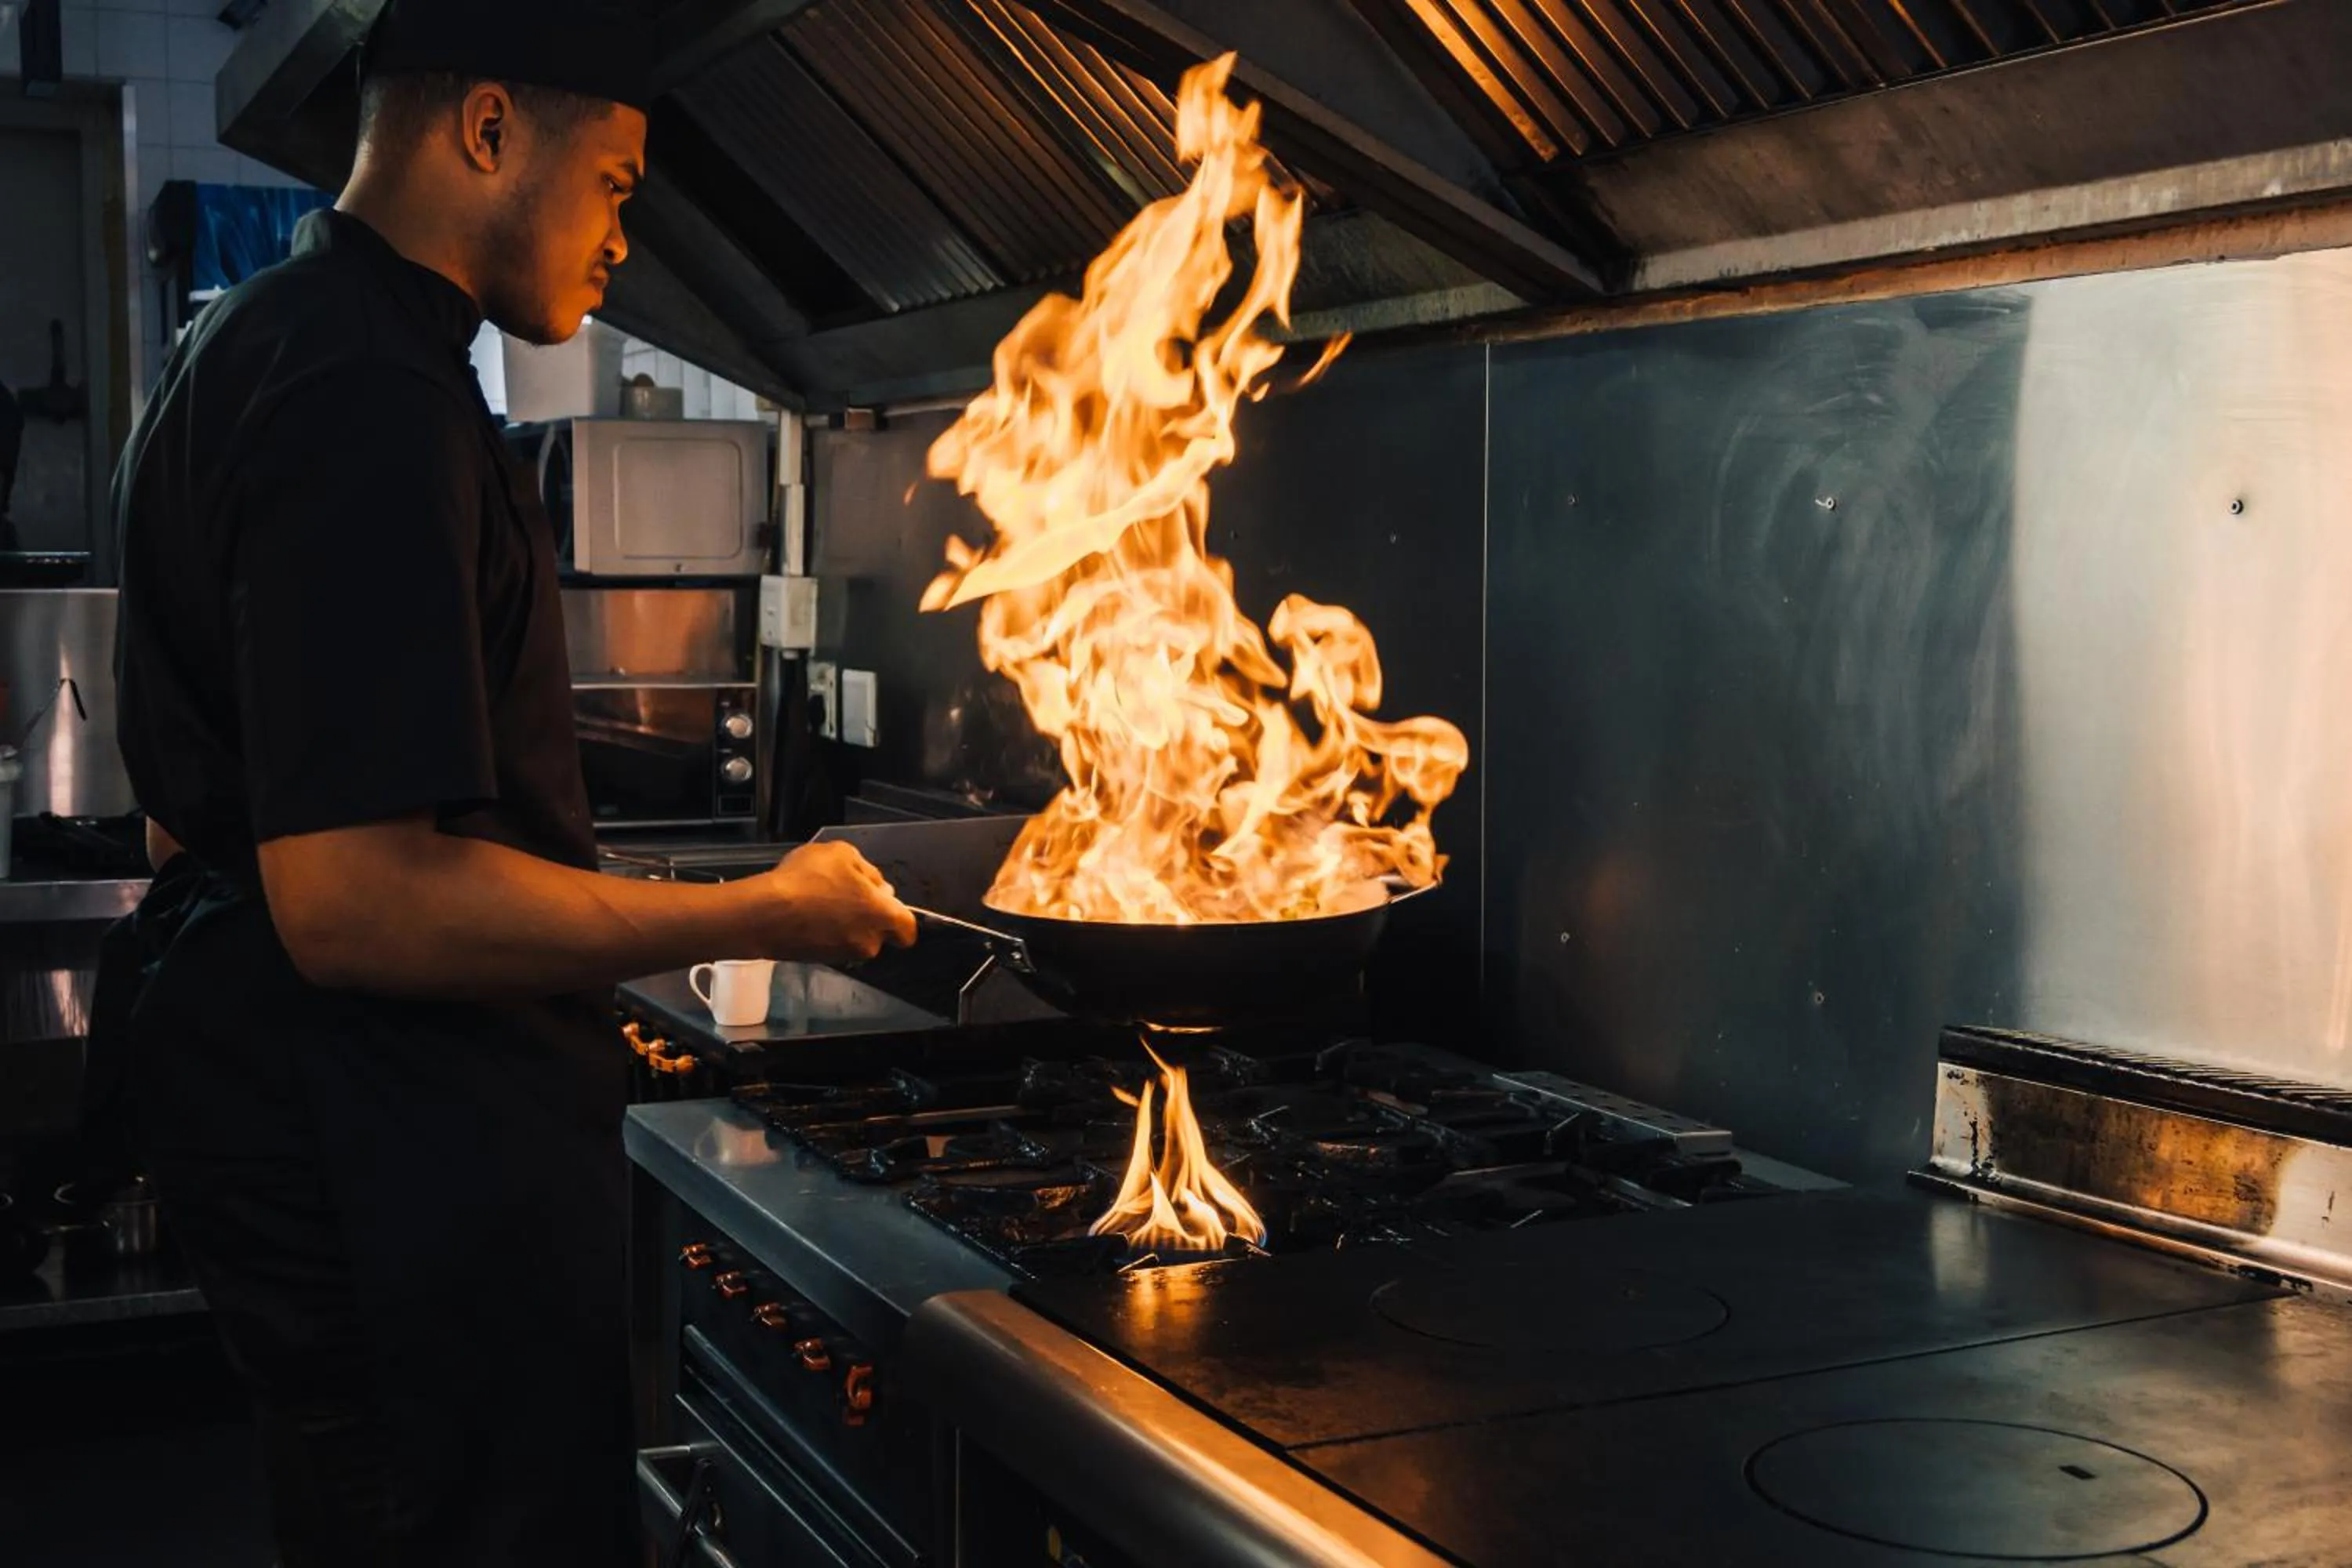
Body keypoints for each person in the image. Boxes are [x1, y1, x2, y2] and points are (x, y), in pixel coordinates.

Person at [105, 3, 915, 1563]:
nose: (626, 238)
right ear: (486, 131)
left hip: (337, 1155)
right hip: (396, 1180)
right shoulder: (365, 399)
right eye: (614, 184)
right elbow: (351, 901)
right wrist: (765, 905)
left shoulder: (251, 343)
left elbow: (189, 814)